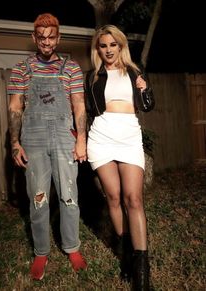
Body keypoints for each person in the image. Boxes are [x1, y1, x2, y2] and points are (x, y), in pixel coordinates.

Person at [7, 13, 87, 280]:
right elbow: (15, 107)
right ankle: (41, 252)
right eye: (41, 37)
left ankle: (71, 247)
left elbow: (78, 105)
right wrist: (15, 143)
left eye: (51, 37)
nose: (46, 42)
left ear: (58, 37)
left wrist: (81, 139)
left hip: (65, 137)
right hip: (34, 138)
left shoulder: (72, 68)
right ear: (34, 38)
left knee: (69, 196)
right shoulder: (21, 69)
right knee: (39, 199)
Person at [85, 25, 152, 290]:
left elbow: (147, 105)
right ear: (97, 49)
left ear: (120, 46)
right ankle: (125, 255)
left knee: (133, 199)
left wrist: (144, 89)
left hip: (128, 136)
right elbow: (89, 109)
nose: (109, 50)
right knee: (112, 197)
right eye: (103, 45)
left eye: (113, 44)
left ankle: (142, 274)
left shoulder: (135, 71)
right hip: (101, 136)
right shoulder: (93, 77)